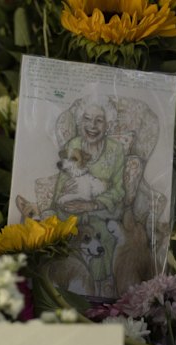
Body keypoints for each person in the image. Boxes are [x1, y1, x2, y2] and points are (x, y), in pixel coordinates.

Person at [52, 102, 125, 297]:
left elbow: (119, 191)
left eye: (99, 120)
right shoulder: (73, 144)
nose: (92, 125)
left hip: (102, 214)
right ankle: (66, 289)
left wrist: (91, 204)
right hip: (71, 211)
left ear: (107, 124)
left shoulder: (116, 150)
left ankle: (98, 298)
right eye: (87, 119)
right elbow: (60, 186)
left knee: (101, 237)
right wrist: (65, 192)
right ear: (80, 121)